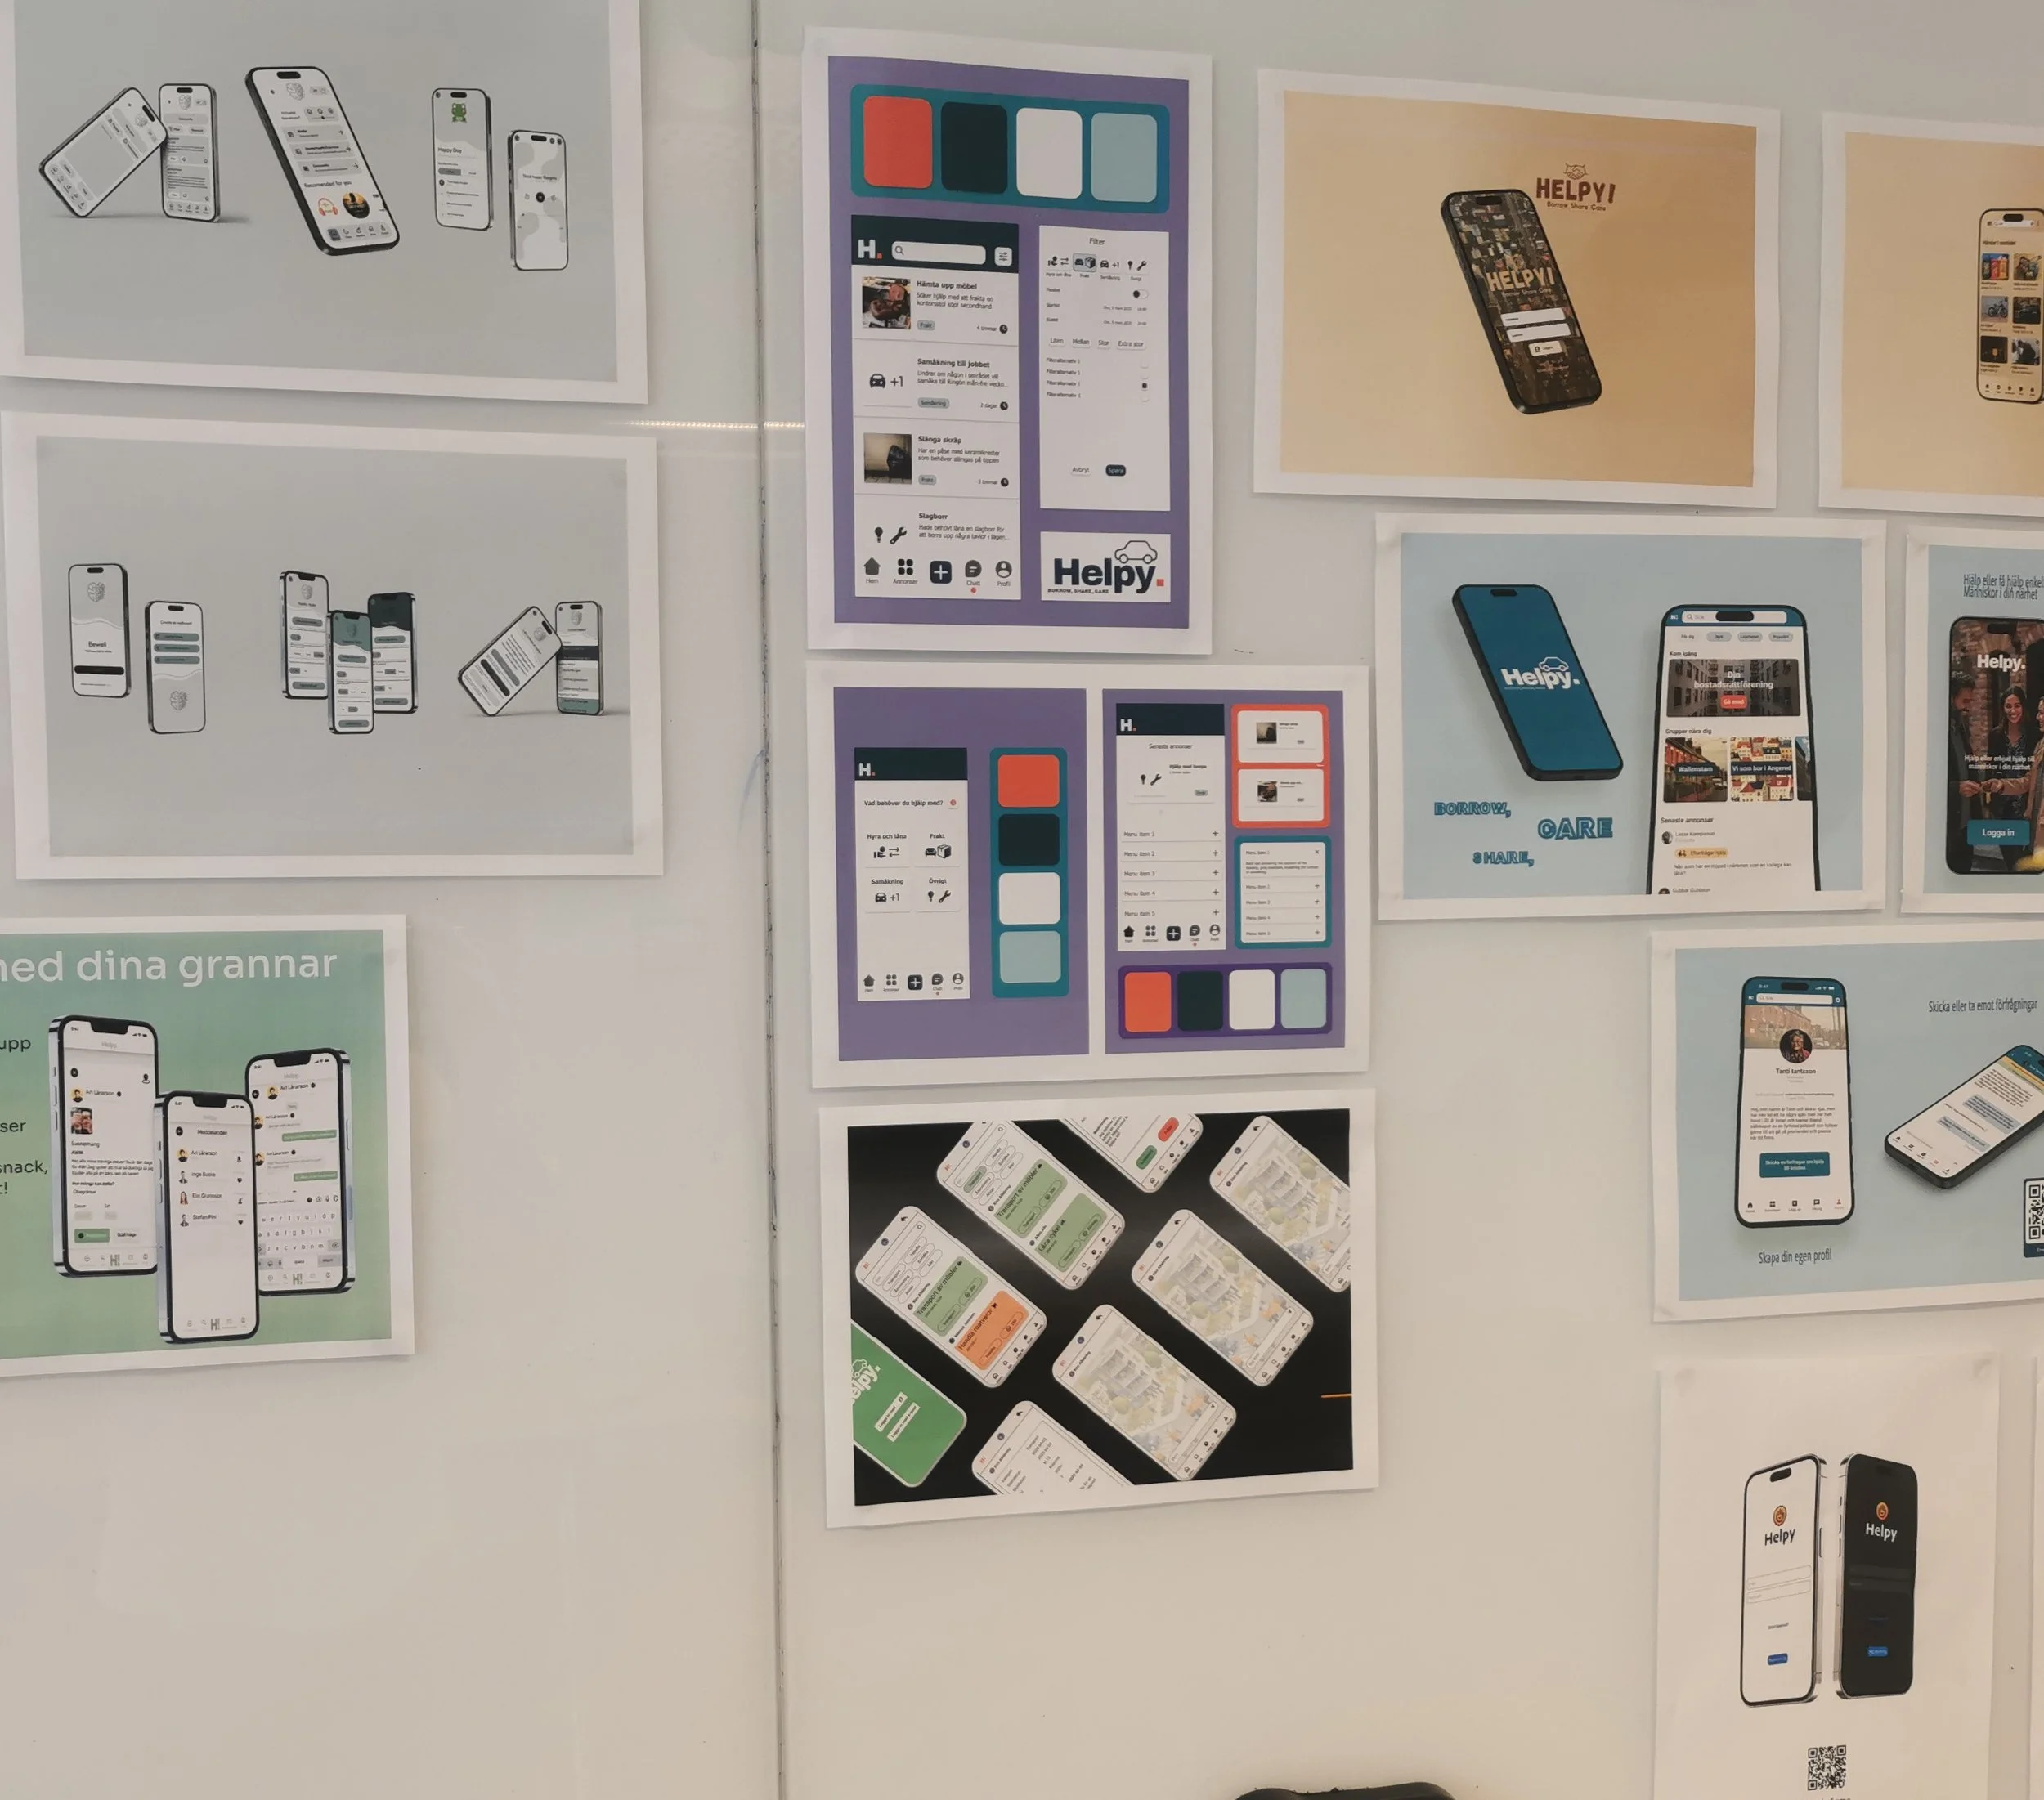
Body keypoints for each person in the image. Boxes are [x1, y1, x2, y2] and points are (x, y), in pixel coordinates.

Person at [1949, 674, 1981, 871]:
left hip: (1966, 828)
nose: (1969, 707)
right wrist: (1956, 788)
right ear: (1951, 699)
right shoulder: (1935, 733)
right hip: (1948, 829)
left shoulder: (1961, 729)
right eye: (1965, 701)